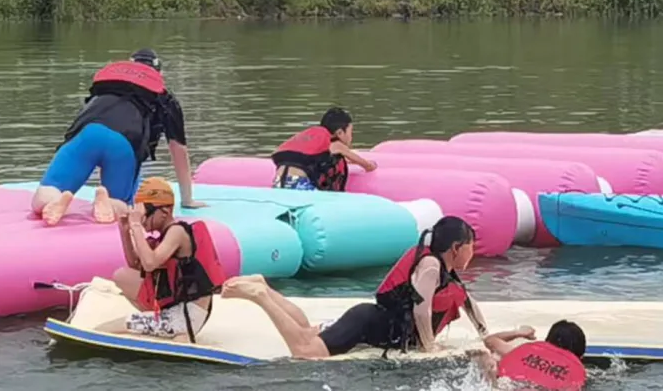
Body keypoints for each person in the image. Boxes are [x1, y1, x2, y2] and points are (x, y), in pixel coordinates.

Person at [221, 216, 487, 358]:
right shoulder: (430, 266)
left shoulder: (446, 269)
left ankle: (265, 288)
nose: (472, 251)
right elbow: (421, 309)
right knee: (306, 350)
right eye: (471, 245)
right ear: (455, 248)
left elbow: (468, 303)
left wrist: (486, 335)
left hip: (372, 319)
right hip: (370, 324)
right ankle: (259, 297)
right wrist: (429, 347)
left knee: (305, 330)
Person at [35, 49, 205, 227]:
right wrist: (187, 200)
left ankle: (55, 201)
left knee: (46, 192)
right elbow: (178, 150)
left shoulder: (106, 87)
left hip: (87, 133)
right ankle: (108, 203)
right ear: (159, 74)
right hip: (123, 143)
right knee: (122, 206)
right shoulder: (165, 99)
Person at [97, 177, 227, 343]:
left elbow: (150, 264)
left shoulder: (177, 232)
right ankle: (169, 329)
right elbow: (137, 265)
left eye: (145, 214)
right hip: (177, 310)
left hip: (186, 316)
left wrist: (136, 225)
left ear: (165, 212)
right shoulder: (164, 236)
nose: (142, 220)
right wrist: (125, 231)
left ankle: (180, 333)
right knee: (122, 275)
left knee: (118, 325)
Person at [270, 107, 378, 191]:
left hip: (278, 181)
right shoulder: (336, 144)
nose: (351, 136)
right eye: (350, 132)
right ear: (340, 132)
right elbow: (361, 163)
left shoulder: (316, 140)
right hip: (297, 182)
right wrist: (370, 165)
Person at [482, 321, 588, 390]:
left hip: (508, 385)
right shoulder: (575, 371)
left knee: (488, 359)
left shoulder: (522, 352)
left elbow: (490, 340)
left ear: (547, 341)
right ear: (580, 356)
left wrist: (519, 333)